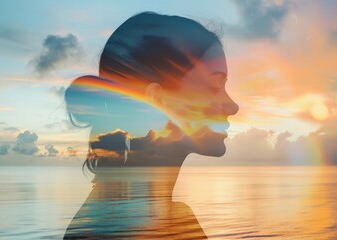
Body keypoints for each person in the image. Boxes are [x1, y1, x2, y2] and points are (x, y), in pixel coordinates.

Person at [64, 12, 238, 239]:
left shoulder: (176, 220)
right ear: (157, 100)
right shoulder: (110, 231)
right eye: (216, 86)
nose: (232, 106)